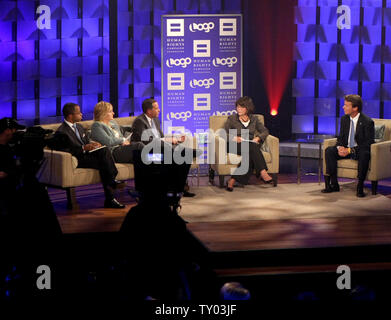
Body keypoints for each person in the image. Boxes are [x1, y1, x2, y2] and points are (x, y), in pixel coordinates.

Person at [56, 103, 125, 209]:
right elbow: (65, 151)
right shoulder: (61, 131)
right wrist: (83, 148)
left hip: (88, 155)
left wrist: (93, 144)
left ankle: (110, 196)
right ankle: (111, 189)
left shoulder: (79, 127)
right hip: (78, 159)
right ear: (70, 115)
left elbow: (86, 141)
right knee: (105, 164)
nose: (81, 114)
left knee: (104, 151)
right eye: (78, 113)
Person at [131, 98, 196, 197]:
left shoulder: (156, 120)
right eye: (156, 108)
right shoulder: (139, 121)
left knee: (183, 157)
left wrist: (174, 139)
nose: (159, 110)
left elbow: (161, 137)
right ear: (149, 111)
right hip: (148, 154)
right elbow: (146, 141)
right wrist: (167, 141)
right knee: (177, 156)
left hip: (161, 149)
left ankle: (179, 188)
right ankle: (175, 188)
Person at [322, 94, 374, 197]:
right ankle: (333, 184)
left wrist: (350, 150)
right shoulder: (344, 119)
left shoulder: (367, 122)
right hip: (346, 149)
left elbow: (367, 144)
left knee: (365, 153)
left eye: (346, 105)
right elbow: (341, 138)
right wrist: (340, 147)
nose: (343, 107)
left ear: (355, 108)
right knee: (329, 150)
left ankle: (360, 186)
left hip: (359, 151)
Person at [224, 96, 273, 191]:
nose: (239, 109)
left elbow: (265, 131)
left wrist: (259, 137)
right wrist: (234, 137)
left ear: (248, 108)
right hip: (234, 145)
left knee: (250, 153)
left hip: (249, 145)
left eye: (242, 107)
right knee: (253, 147)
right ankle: (262, 171)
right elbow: (224, 133)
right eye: (237, 107)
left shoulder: (254, 119)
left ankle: (232, 180)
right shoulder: (232, 118)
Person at [0, 118, 25, 215]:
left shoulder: (10, 147)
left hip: (13, 188)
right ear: (7, 130)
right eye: (14, 129)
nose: (16, 132)